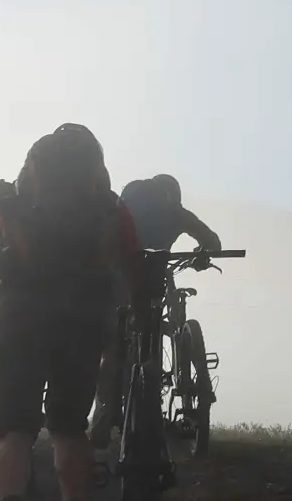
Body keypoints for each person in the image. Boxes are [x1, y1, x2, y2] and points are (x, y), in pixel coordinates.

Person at [0, 123, 141, 501]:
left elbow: (5, 247)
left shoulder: (18, 198)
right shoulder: (108, 205)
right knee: (69, 427)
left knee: (12, 430)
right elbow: (128, 257)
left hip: (21, 316)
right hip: (82, 319)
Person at [89, 173, 223, 447]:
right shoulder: (175, 211)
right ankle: (151, 404)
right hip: (151, 278)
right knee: (149, 323)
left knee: (114, 346)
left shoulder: (119, 208)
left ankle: (103, 421)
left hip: (117, 280)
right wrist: (201, 257)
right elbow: (212, 240)